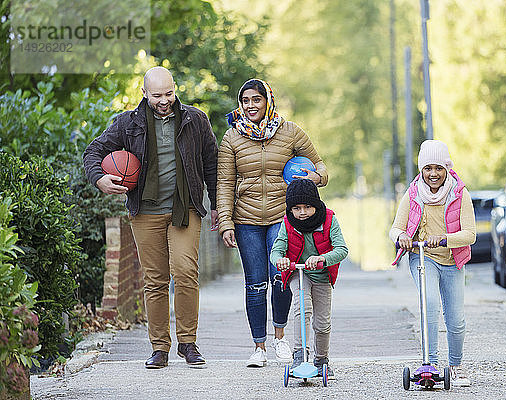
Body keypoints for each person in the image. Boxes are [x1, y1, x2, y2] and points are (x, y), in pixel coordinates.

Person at [83, 66, 218, 369]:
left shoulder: (195, 119)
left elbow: (212, 163)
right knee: (155, 280)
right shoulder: (127, 124)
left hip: (185, 208)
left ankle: (188, 342)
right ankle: (159, 348)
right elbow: (92, 152)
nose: (164, 100)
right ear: (144, 93)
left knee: (185, 271)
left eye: (169, 93)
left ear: (175, 89)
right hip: (145, 212)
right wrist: (100, 179)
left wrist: (220, 208)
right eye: (157, 95)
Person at [217, 79, 328, 367]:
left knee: (280, 277)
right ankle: (259, 347)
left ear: (268, 101)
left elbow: (321, 167)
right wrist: (226, 221)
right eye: (246, 100)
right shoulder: (231, 138)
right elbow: (225, 183)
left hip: (282, 218)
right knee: (255, 283)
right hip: (246, 220)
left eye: (257, 99)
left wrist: (315, 177)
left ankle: (280, 338)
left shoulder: (290, 132)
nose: (251, 105)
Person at [388, 140, 475, 387]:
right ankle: (431, 364)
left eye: (438, 168)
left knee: (455, 318)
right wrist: (401, 237)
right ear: (421, 169)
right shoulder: (413, 193)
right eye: (428, 168)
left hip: (452, 260)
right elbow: (395, 228)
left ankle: (456, 366)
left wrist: (446, 239)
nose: (433, 174)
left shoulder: (460, 193)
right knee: (430, 305)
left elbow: (470, 234)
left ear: (446, 168)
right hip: (423, 258)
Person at [271, 179, 348, 379]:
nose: (302, 212)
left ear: (316, 204)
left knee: (322, 322)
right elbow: (276, 250)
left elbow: (342, 249)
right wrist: (281, 261)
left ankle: (322, 359)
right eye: (296, 208)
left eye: (307, 207)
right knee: (301, 308)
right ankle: (299, 354)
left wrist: (323, 258)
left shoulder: (329, 220)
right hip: (299, 273)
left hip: (322, 275)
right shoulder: (287, 223)